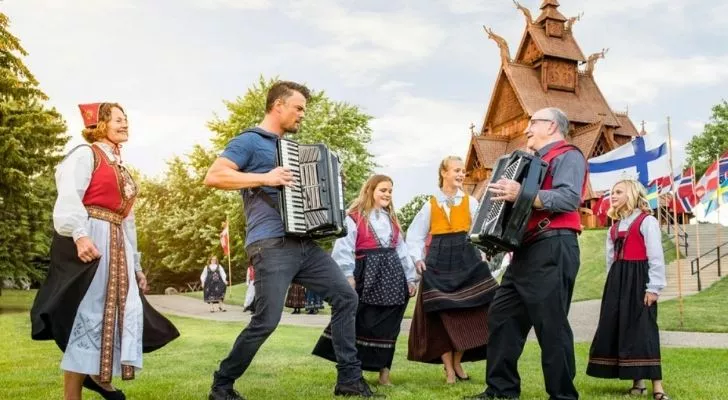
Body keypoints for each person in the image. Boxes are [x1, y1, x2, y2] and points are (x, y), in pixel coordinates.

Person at [203, 81, 381, 399]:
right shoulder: (249, 141)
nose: (302, 115)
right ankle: (222, 383)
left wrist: (329, 185)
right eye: (298, 108)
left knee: (346, 298)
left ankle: (349, 381)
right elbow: (214, 176)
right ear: (278, 106)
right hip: (270, 244)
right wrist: (265, 177)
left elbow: (310, 196)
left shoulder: (293, 151)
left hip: (304, 243)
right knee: (266, 321)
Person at [30, 102, 179, 400]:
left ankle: (101, 380)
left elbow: (129, 221)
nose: (125, 125)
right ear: (100, 125)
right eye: (119, 120)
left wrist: (135, 265)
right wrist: (80, 235)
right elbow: (70, 195)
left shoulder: (121, 167)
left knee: (112, 314)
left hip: (117, 242)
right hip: (93, 238)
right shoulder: (87, 155)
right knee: (88, 314)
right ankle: (76, 395)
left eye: (126, 120)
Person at [465, 107, 586, 400]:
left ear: (552, 126)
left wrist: (523, 194)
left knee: (551, 325)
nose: (527, 129)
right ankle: (501, 391)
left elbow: (570, 198)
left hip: (553, 246)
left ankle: (563, 396)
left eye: (533, 123)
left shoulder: (569, 155)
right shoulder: (531, 162)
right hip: (525, 250)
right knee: (502, 317)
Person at [312, 174, 417, 386]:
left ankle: (384, 375)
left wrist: (410, 278)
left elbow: (402, 251)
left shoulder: (392, 220)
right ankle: (354, 371)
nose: (387, 194)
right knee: (361, 322)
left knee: (390, 325)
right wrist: (347, 276)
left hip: (393, 277)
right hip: (365, 275)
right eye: (383, 190)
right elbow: (344, 249)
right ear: (370, 191)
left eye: (390, 191)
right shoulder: (353, 218)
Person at [406, 156, 498, 385]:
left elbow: (481, 230)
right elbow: (414, 235)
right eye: (456, 170)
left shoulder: (471, 202)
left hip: (467, 258)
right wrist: (418, 259)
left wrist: (484, 252)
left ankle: (458, 361)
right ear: (444, 173)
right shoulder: (430, 204)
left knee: (470, 313)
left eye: (463, 171)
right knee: (441, 315)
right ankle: (448, 369)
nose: (461, 175)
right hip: (438, 260)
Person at [586, 179, 669, 400]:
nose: (612, 195)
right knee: (623, 328)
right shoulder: (613, 227)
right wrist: (613, 284)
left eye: (618, 192)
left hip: (639, 278)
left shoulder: (647, 221)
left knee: (644, 329)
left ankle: (658, 387)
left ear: (631, 194)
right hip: (617, 280)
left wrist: (654, 287)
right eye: (611, 192)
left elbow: (656, 256)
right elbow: (610, 260)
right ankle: (637, 383)